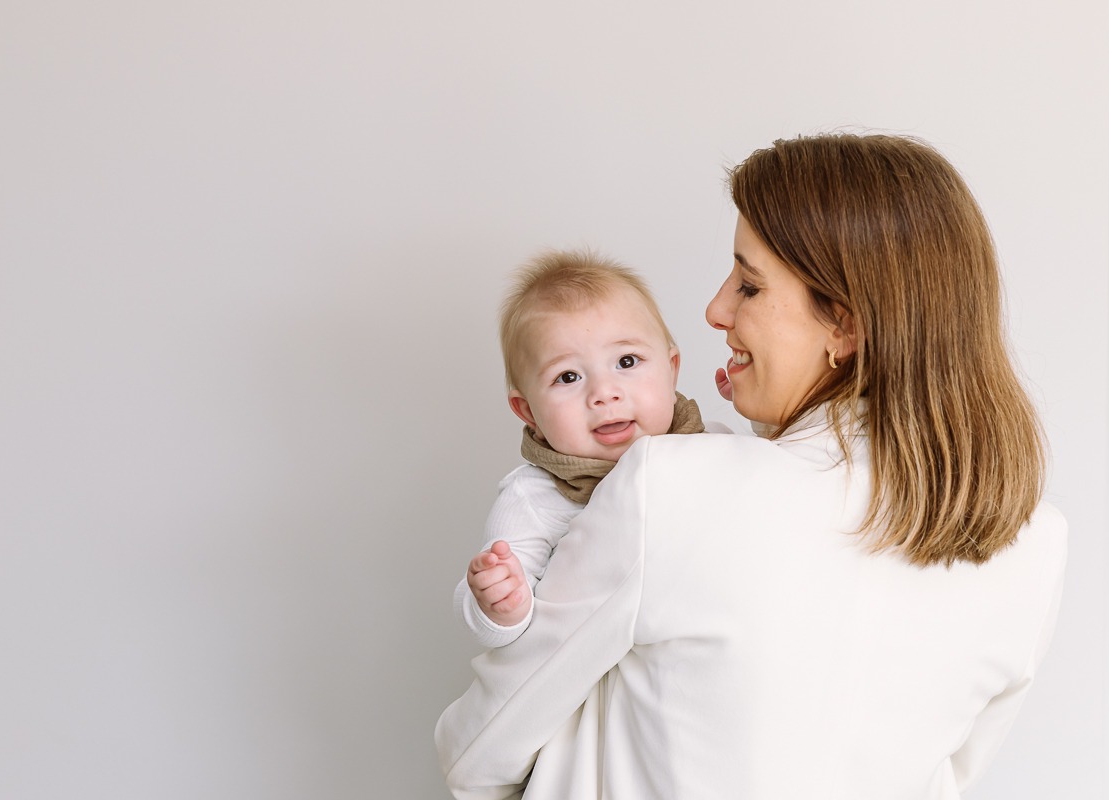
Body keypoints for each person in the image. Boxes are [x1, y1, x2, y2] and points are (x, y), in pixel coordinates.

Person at [435, 133, 1068, 800]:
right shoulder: (1035, 544)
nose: (715, 310)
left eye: (749, 285)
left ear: (844, 327)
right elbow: (945, 779)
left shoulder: (671, 485)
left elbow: (477, 754)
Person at [457, 249, 721, 648]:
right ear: (527, 410)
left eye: (627, 361)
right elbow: (497, 631)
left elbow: (779, 483)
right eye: (568, 376)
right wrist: (500, 605)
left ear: (672, 369)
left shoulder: (712, 445)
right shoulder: (534, 498)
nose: (603, 393)